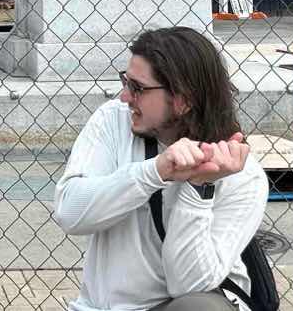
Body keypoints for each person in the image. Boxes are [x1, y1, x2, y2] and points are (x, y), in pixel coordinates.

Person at [54, 27, 267, 311]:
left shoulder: (241, 175)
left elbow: (188, 285)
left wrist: (199, 188)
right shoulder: (114, 121)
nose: (124, 97)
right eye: (126, 82)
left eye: (138, 88)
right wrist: (155, 171)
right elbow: (70, 213)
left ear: (184, 100)